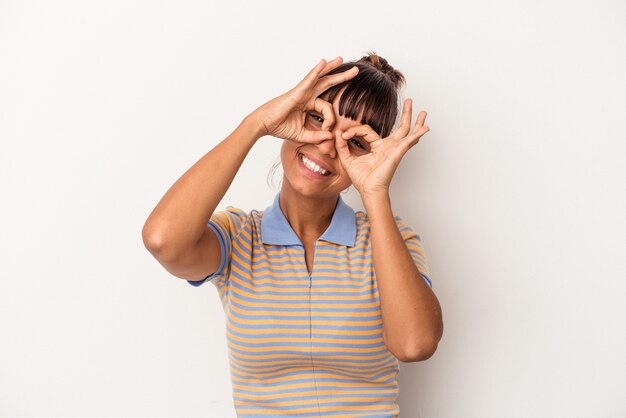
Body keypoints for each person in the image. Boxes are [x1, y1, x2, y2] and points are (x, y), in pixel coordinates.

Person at [142, 53, 444, 417]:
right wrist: (255, 124)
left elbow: (415, 344)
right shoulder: (238, 237)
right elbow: (163, 240)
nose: (328, 146)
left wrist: (375, 193)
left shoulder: (388, 240)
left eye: (356, 143)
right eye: (318, 119)